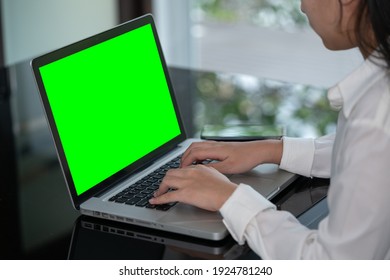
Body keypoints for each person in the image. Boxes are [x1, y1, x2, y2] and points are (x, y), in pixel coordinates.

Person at [149, 0, 390, 259]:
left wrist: (230, 198)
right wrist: (272, 149)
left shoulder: (375, 115)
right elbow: (369, 156)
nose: (302, 7)